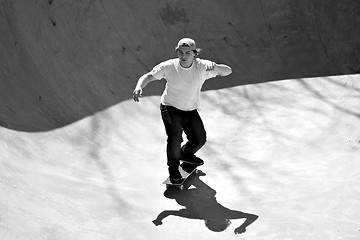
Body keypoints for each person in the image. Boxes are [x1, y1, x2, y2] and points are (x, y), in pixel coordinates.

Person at [133, 38, 232, 184]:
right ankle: (173, 170)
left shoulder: (202, 66)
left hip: (190, 109)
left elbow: (228, 71)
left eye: (187, 53)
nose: (183, 56)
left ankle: (185, 154)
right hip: (170, 107)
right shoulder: (169, 66)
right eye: (180, 52)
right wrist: (139, 86)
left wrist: (216, 67)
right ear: (177, 52)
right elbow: (148, 76)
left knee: (200, 139)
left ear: (194, 54)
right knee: (175, 139)